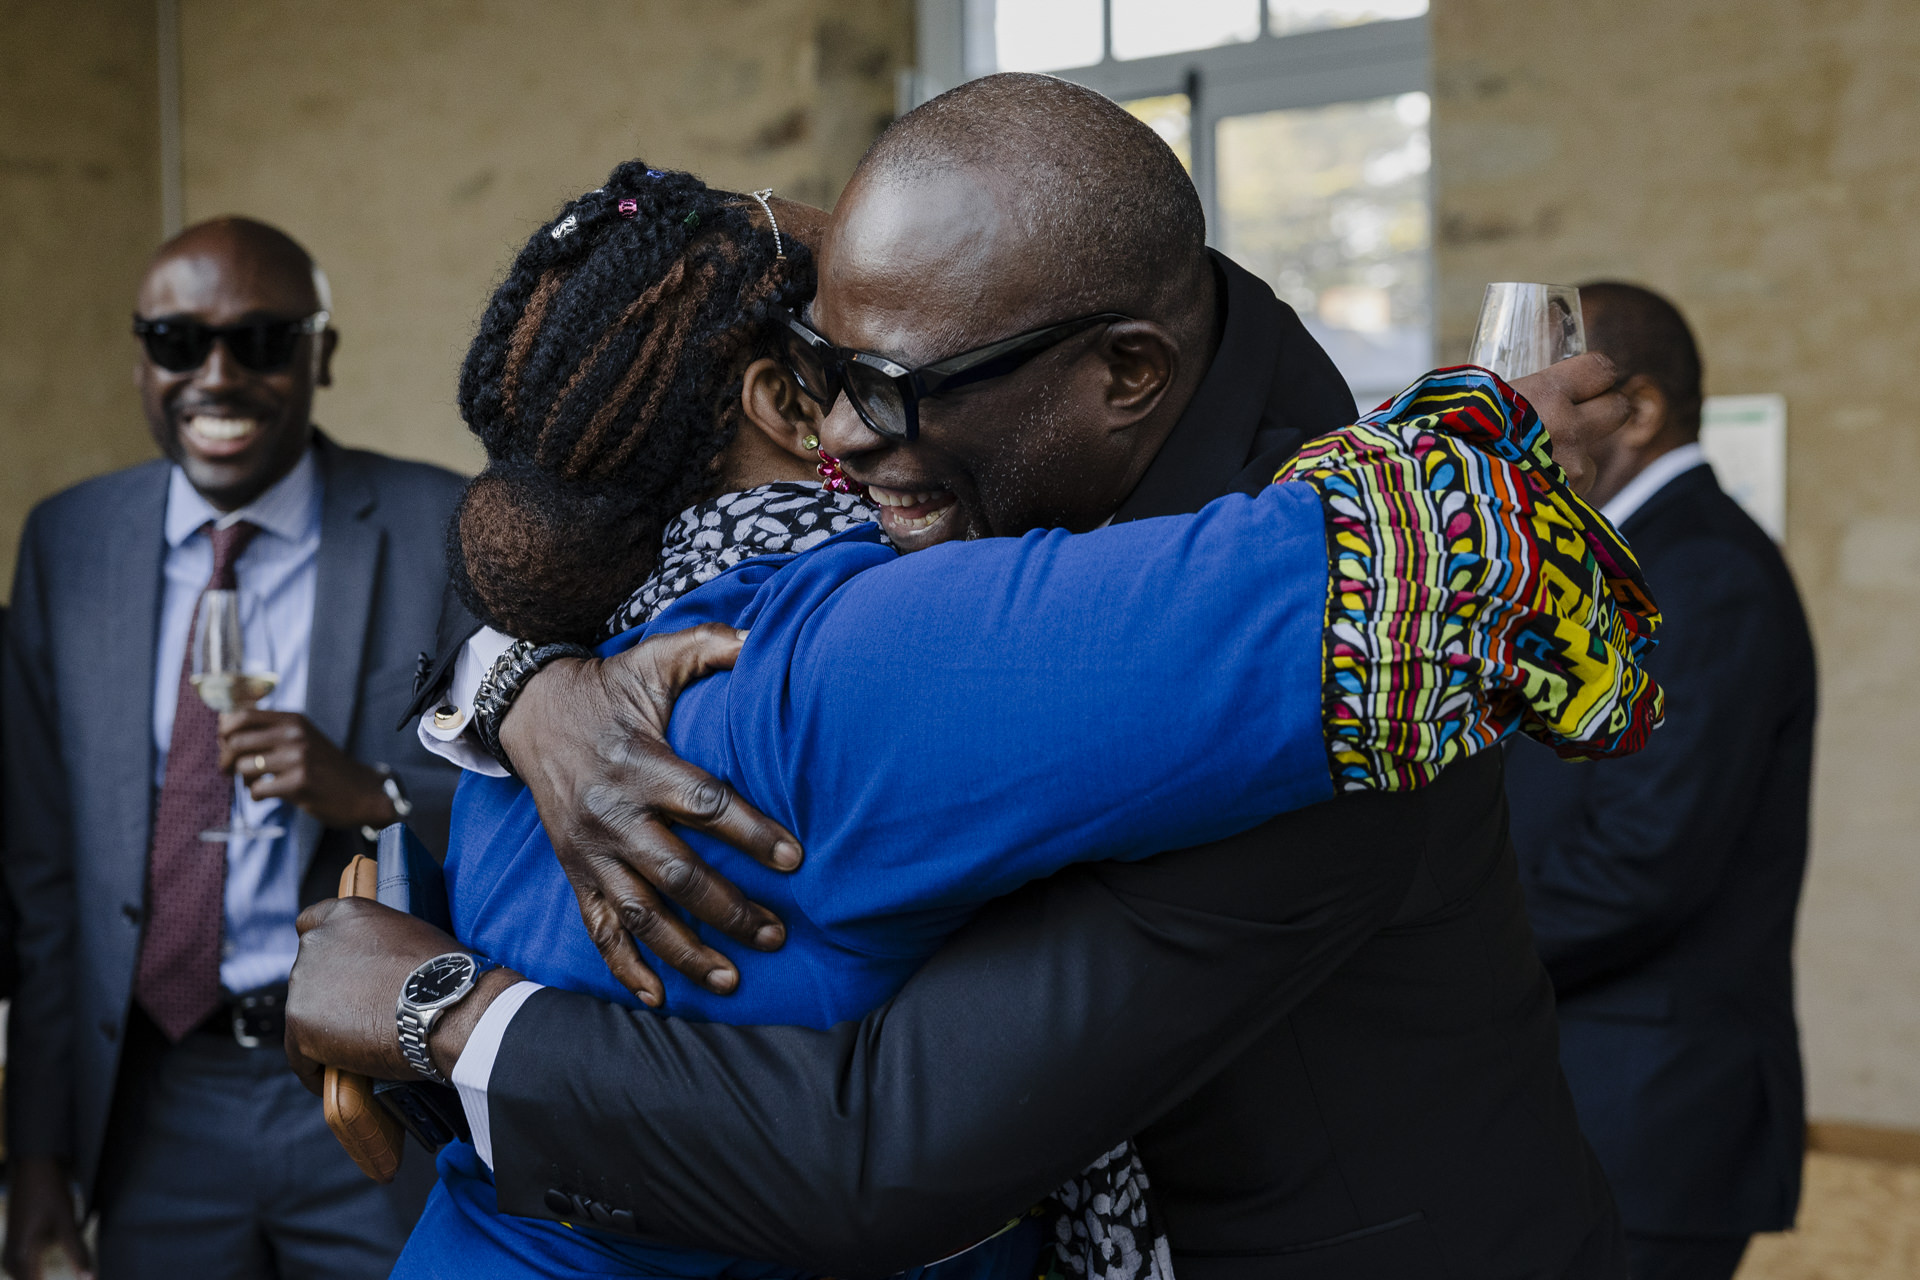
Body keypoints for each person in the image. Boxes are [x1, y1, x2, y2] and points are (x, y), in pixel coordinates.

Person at [296, 75, 1643, 1278]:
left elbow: (880, 1153)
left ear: (1125, 369)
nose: (841, 426)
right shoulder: (704, 640)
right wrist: (523, 685)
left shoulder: (1177, 652)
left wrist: (445, 1015)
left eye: (883, 381)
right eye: (818, 365)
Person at [1, 218, 464, 1280]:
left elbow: (524, 805)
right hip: (155, 1098)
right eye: (178, 340)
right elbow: (45, 881)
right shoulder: (68, 542)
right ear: (141, 358)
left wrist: (370, 789)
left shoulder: (438, 524)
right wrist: (36, 1157)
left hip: (362, 1084)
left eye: (260, 341)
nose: (217, 374)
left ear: (321, 354)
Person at [1504, 283, 1817, 1280]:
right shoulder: (1628, 559)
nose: (1508, 434)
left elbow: (1641, 863)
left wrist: (1439, 952)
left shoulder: (1704, 573)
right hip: (1591, 1098)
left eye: (1538, 401)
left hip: (1650, 1112)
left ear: (1636, 411)